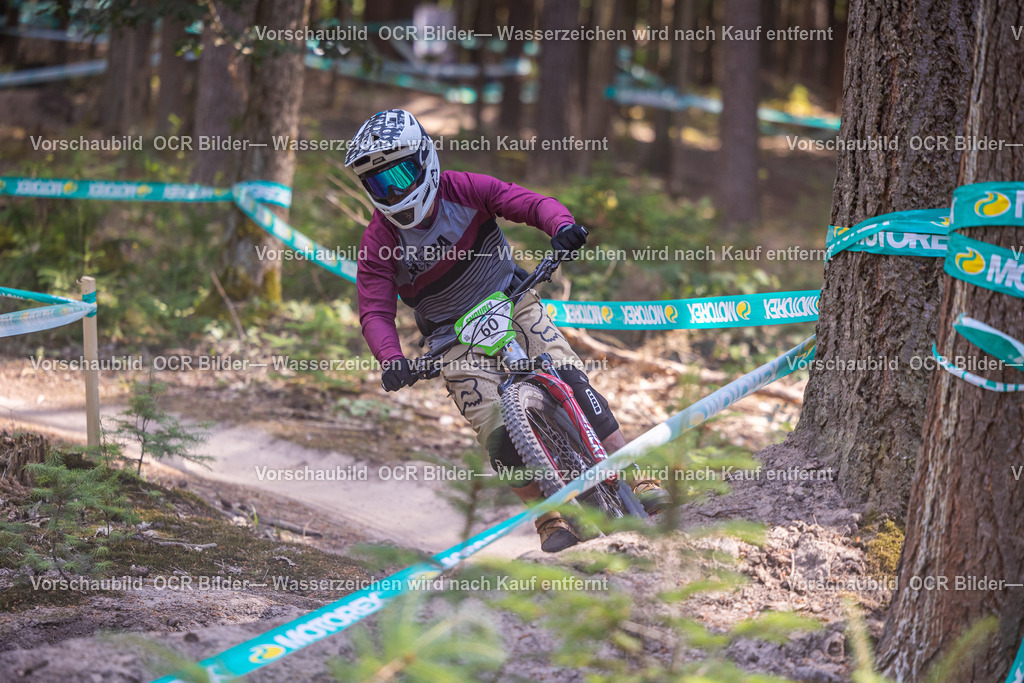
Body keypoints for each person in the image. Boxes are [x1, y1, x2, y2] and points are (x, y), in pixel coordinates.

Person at [345, 109, 668, 552]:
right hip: (451, 339)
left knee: (573, 379)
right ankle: (550, 518)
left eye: (401, 173)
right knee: (496, 431)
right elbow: (374, 310)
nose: (395, 190)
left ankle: (635, 474)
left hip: (513, 300)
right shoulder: (378, 241)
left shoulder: (462, 188)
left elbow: (528, 203)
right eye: (381, 183)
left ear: (425, 158)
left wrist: (562, 226)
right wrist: (392, 359)